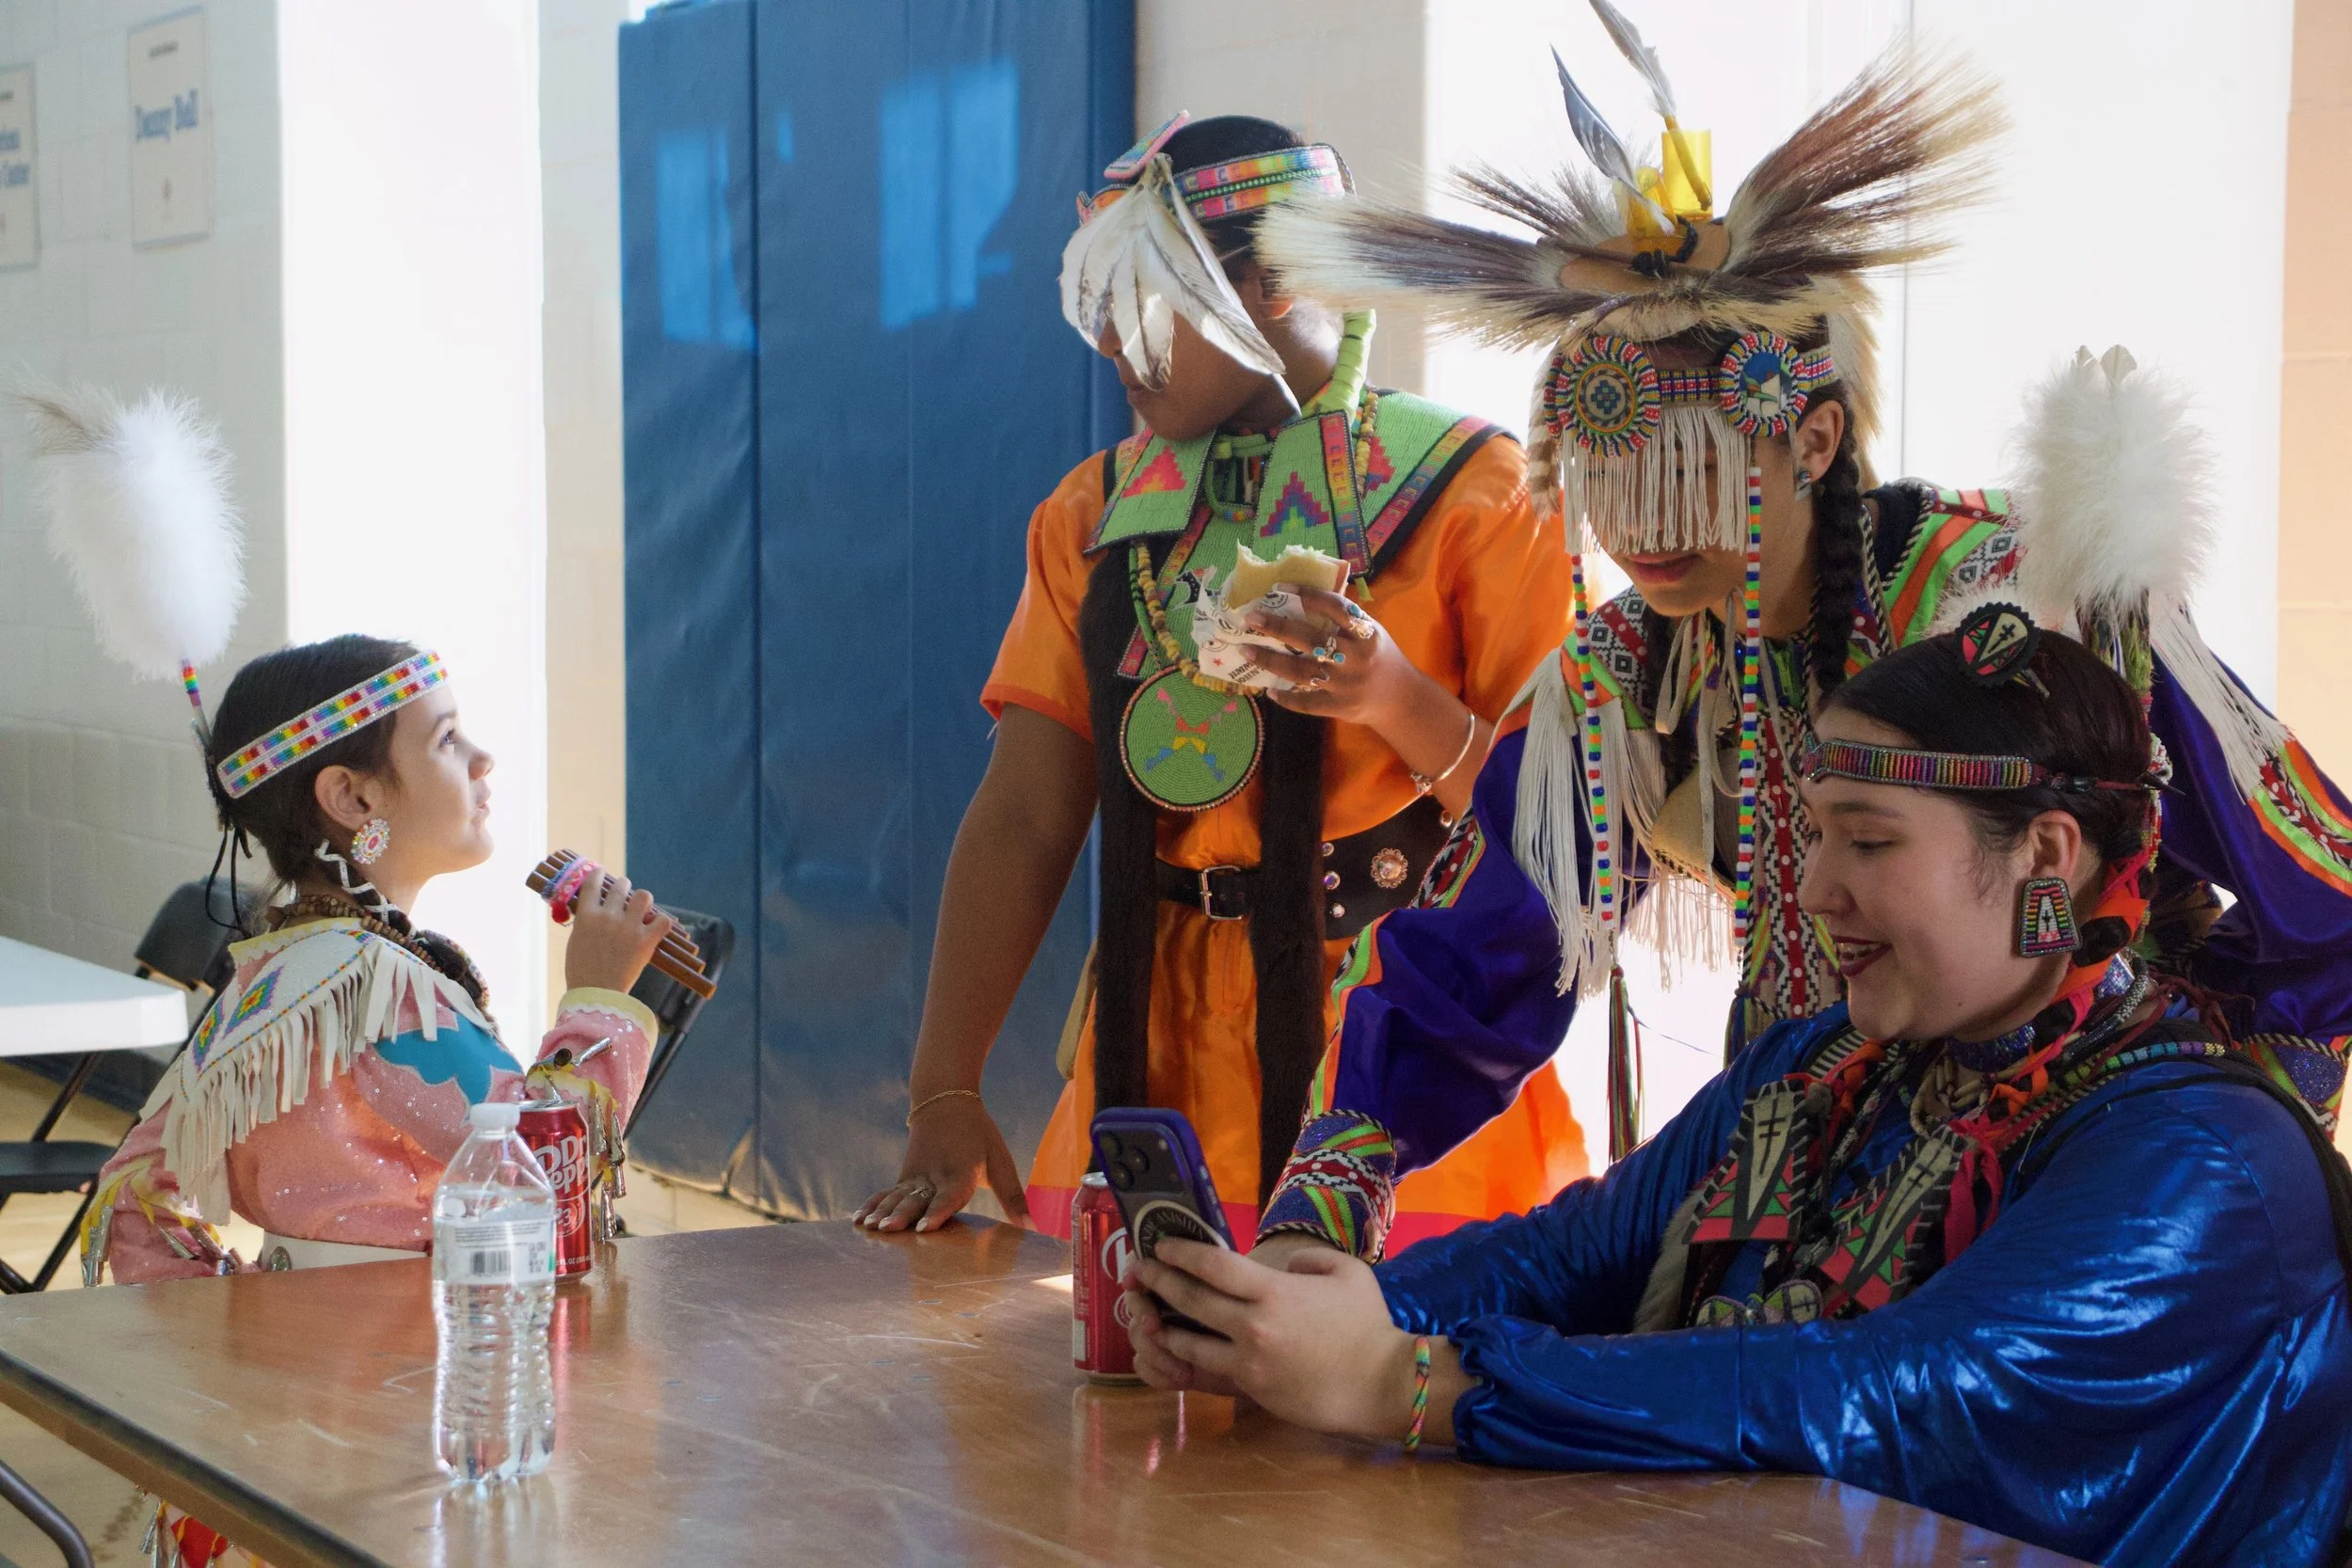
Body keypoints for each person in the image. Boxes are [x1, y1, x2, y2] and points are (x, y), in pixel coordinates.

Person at [1245, 10, 2352, 1262]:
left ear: (1811, 440)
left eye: (1684, 473)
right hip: (1804, 1176)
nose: (1637, 530)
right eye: (1605, 476)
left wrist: (2215, 1116)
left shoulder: (2008, 611)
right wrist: (1323, 1207)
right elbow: (1464, 964)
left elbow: (2320, 893)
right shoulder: (1624, 675)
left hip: (2070, 1186)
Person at [1124, 622, 2352, 1568]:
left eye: (1868, 841)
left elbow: (1894, 1395)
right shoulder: (1818, 1068)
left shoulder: (2199, 1157)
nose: (1812, 888)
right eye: (1814, 834)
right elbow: (1582, 1249)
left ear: (2044, 857)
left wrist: (1409, 1379)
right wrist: (1279, 1314)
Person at [854, 113, 1580, 1243]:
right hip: (1148, 1071)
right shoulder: (1091, 517)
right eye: (1098, 312)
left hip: (1401, 1066)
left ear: (1276, 285)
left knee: (1377, 1411)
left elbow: (1565, 837)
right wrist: (944, 1083)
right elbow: (1027, 812)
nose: (1110, 347)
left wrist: (1394, 696)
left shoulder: (1478, 494)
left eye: (1142, 309)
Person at [83, 635, 675, 1283]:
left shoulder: (277, 973)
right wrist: (596, 995)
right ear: (353, 798)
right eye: (447, 739)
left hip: (301, 1364)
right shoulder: (377, 988)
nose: (484, 759)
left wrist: (238, 1318)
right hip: (413, 1361)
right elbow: (540, 1172)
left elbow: (130, 1189)